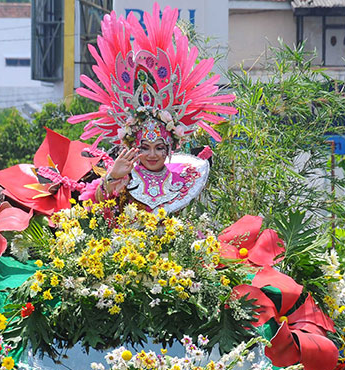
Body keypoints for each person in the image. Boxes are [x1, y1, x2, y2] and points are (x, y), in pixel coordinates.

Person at [72, 5, 236, 215]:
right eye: (144, 147)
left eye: (159, 147)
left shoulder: (187, 178)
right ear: (132, 147)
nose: (152, 154)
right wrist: (111, 178)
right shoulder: (121, 176)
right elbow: (91, 210)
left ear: (170, 147)